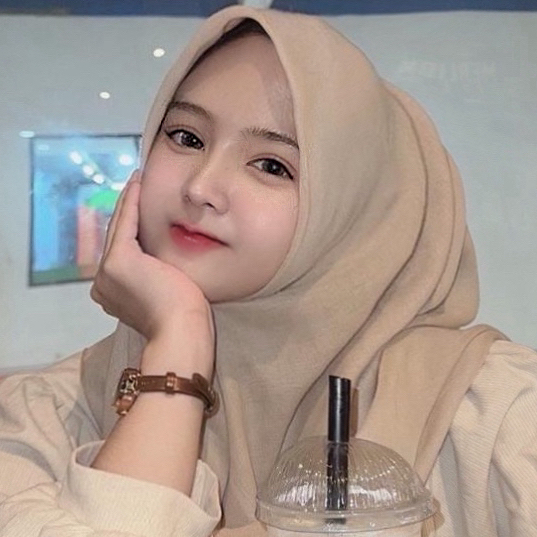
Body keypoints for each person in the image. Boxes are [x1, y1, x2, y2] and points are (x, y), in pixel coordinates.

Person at [0, 5, 535, 536]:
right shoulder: (44, 417)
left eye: (273, 165)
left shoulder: (496, 423)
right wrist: (178, 348)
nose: (200, 188)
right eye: (186, 137)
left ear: (354, 212)